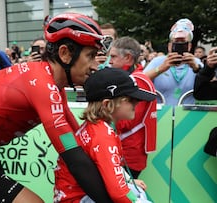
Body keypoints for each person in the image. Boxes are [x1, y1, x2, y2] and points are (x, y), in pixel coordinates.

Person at [0, 13, 114, 203]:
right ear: (65, 54)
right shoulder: (43, 86)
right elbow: (74, 159)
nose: (95, 65)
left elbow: (78, 142)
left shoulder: (52, 85)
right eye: (91, 56)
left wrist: (121, 182)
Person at [54, 68, 155, 203]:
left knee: (137, 191)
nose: (137, 103)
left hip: (74, 197)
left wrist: (129, 182)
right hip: (80, 199)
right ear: (107, 104)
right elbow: (119, 194)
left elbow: (104, 171)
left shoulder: (95, 126)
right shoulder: (102, 134)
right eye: (130, 99)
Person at [108, 36, 157, 178]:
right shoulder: (134, 78)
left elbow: (127, 119)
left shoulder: (137, 81)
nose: (109, 61)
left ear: (128, 58)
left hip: (128, 153)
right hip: (127, 150)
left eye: (113, 57)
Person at [143, 18, 203, 105]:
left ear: (189, 46)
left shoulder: (196, 62)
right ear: (169, 46)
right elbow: (140, 80)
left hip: (188, 115)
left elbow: (210, 84)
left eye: (183, 42)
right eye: (176, 42)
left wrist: (197, 69)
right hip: (161, 114)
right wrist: (161, 68)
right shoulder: (158, 61)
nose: (180, 45)